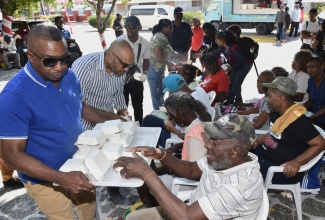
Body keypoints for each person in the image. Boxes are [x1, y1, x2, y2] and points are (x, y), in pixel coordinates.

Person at [0, 25, 96, 219]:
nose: (59, 67)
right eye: (50, 61)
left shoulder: (69, 76)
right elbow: (11, 156)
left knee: (89, 212)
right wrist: (60, 178)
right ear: (31, 57)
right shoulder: (14, 97)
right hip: (44, 180)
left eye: (64, 59)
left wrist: (116, 118)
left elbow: (80, 107)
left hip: (78, 166)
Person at [114, 114, 263, 220]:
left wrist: (146, 173)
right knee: (133, 217)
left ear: (235, 151)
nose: (207, 144)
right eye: (210, 138)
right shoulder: (224, 160)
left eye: (215, 142)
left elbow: (185, 217)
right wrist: (161, 155)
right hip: (190, 210)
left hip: (187, 214)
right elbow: (191, 169)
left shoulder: (239, 187)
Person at [137, 92, 211, 207]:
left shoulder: (195, 136)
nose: (171, 119)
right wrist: (176, 146)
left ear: (180, 114)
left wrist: (170, 168)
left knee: (142, 183)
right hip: (187, 169)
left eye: (171, 115)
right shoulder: (196, 125)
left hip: (188, 183)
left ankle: (159, 209)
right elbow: (190, 146)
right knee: (154, 164)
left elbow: (193, 172)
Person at [253, 77, 325, 186]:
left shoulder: (298, 120)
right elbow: (276, 132)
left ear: (281, 99)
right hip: (266, 155)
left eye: (269, 96)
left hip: (280, 169)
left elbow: (320, 143)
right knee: (240, 150)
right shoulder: (276, 112)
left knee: (245, 172)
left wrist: (297, 162)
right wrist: (260, 139)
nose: (266, 99)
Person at [71, 39, 134, 131]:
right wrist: (115, 119)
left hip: (110, 126)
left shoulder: (120, 71)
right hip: (85, 129)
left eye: (129, 65)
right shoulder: (84, 67)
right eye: (124, 65)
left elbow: (118, 94)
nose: (127, 70)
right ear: (111, 56)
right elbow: (78, 107)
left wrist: (124, 114)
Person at [142, 74, 213, 148]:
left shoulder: (187, 105)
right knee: (148, 119)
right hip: (181, 128)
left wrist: (173, 129)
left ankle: (148, 152)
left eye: (170, 93)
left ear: (175, 92)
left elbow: (192, 136)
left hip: (178, 138)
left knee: (151, 133)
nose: (170, 94)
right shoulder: (199, 90)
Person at [117, 16, 149, 124]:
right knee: (121, 106)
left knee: (138, 106)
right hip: (121, 78)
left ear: (139, 27)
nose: (129, 30)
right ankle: (122, 128)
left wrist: (144, 73)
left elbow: (146, 60)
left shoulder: (144, 43)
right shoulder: (120, 41)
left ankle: (139, 127)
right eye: (127, 27)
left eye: (132, 27)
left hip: (136, 78)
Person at [148, 19, 184, 110]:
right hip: (154, 70)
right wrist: (170, 64)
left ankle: (161, 116)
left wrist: (181, 57)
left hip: (158, 70)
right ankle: (159, 119)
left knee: (160, 95)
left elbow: (170, 53)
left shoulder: (162, 37)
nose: (172, 30)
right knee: (157, 98)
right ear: (164, 28)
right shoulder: (159, 37)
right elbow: (158, 55)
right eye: (170, 27)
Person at [214, 30, 252, 104]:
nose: (216, 41)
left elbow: (242, 62)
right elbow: (216, 53)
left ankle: (239, 104)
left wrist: (231, 68)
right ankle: (230, 102)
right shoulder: (224, 47)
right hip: (236, 66)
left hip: (244, 66)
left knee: (235, 87)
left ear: (223, 40)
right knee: (230, 84)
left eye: (217, 40)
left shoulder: (233, 48)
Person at [305, 57, 325, 129]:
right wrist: (298, 110)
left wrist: (310, 118)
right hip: (314, 114)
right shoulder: (311, 81)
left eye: (313, 67)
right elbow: (310, 101)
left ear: (322, 67)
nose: (309, 69)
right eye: (308, 67)